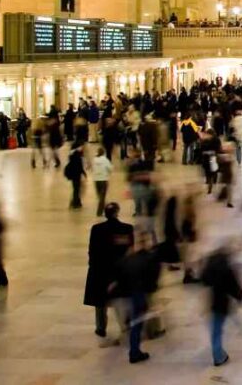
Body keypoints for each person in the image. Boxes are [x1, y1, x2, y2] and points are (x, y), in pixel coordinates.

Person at [83, 202, 134, 340]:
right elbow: (129, 250)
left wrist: (92, 265)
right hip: (119, 269)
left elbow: (92, 250)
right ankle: (126, 323)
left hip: (100, 270)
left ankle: (100, 327)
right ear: (117, 212)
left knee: (100, 301)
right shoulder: (126, 229)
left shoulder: (97, 229)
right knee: (122, 299)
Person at [113, 231, 159, 364]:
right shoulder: (149, 258)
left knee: (136, 320)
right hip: (140, 294)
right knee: (137, 323)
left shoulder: (130, 258)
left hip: (131, 293)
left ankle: (135, 348)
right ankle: (134, 352)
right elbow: (152, 278)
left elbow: (120, 272)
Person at [200, 242, 242, 367]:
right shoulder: (226, 268)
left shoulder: (210, 266)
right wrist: (241, 298)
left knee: (215, 330)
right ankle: (218, 356)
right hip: (222, 303)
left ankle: (219, 352)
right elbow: (234, 287)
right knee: (218, 330)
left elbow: (203, 280)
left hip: (212, 300)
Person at [91, 147, 113, 217]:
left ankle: (105, 210)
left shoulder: (94, 160)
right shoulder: (105, 160)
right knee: (102, 197)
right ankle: (99, 212)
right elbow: (110, 168)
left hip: (96, 180)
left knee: (99, 196)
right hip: (103, 179)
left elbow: (92, 168)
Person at [64, 144, 86, 209]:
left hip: (73, 176)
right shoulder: (78, 157)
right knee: (76, 190)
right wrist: (84, 173)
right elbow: (80, 167)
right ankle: (75, 203)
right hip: (77, 176)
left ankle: (77, 202)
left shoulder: (72, 156)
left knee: (76, 189)